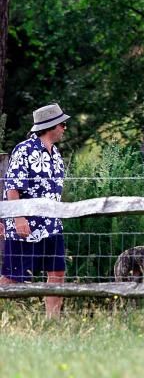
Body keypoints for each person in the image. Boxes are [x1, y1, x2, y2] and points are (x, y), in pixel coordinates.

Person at [0, 103, 70, 318]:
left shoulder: (55, 153)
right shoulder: (24, 149)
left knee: (57, 272)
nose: (65, 128)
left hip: (51, 224)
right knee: (13, 276)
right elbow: (12, 185)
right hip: (26, 224)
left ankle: (52, 322)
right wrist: (18, 217)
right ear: (50, 126)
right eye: (62, 124)